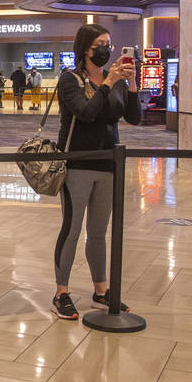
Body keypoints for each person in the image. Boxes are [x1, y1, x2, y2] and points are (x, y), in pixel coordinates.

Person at [51, 24, 140, 320]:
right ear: (85, 49)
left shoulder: (115, 80)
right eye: (100, 44)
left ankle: (101, 291)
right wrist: (107, 82)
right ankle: (61, 292)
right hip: (77, 162)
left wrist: (132, 83)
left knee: (99, 233)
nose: (106, 50)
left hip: (108, 164)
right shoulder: (70, 79)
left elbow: (134, 117)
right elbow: (86, 112)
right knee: (72, 229)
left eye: (109, 44)